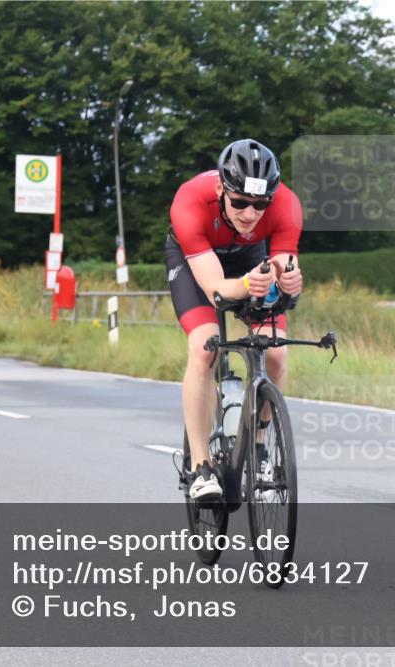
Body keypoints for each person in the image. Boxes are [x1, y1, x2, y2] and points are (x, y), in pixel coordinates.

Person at [166, 139, 303, 499]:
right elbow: (215, 290)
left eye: (260, 205)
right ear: (220, 189)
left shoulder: (287, 205)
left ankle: (257, 444)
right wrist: (246, 285)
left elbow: (283, 268)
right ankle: (199, 466)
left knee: (275, 353)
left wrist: (289, 283)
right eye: (240, 202)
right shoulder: (191, 201)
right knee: (204, 348)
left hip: (248, 258)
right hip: (197, 260)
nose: (249, 213)